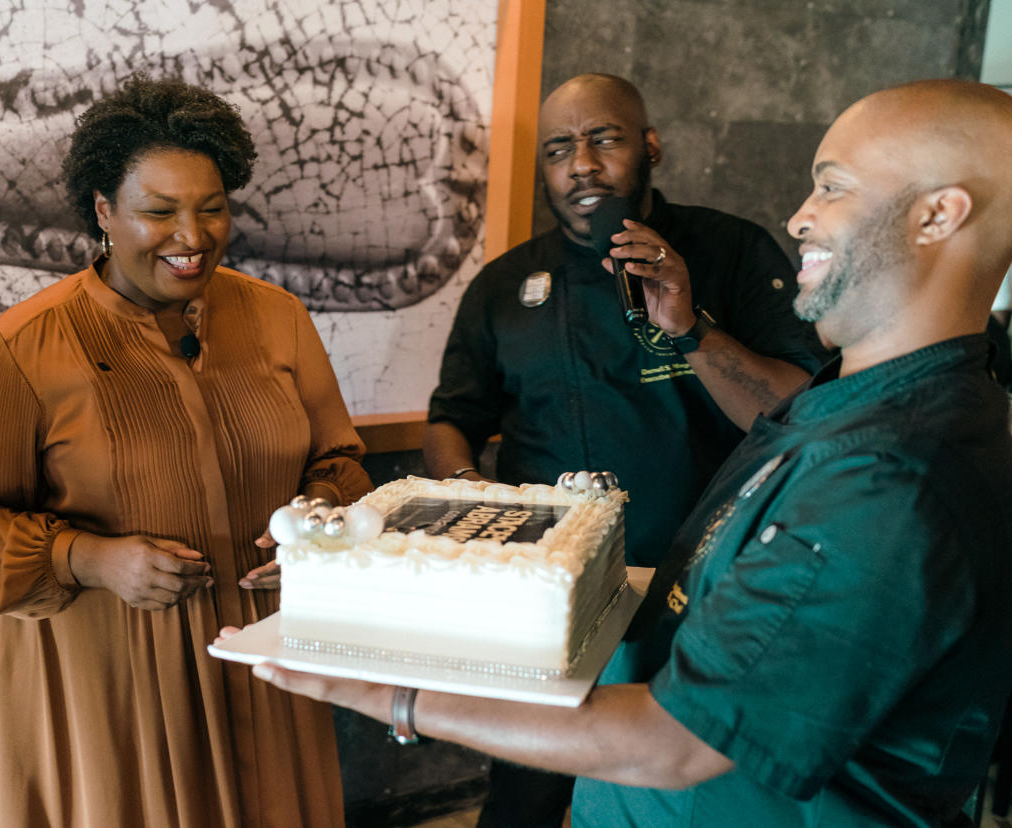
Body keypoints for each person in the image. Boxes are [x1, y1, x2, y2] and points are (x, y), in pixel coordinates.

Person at [230, 78, 1012, 827]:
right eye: (558, 147)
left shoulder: (888, 473)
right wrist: (415, 567)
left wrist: (395, 696)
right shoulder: (850, 409)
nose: (801, 217)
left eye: (831, 186)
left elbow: (677, 743)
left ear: (939, 215)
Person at [0, 75, 371, 827]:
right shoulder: (22, 347)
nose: (193, 236)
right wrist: (89, 558)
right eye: (159, 212)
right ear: (103, 211)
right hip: (107, 685)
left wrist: (319, 521)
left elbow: (341, 461)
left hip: (264, 659)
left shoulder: (278, 319)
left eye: (212, 208)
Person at [423, 73, 824, 826]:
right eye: (558, 149)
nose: (581, 164)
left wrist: (692, 329)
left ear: (650, 147)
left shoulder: (731, 251)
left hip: (704, 587)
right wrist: (479, 514)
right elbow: (453, 420)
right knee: (527, 794)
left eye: (602, 138)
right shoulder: (506, 286)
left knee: (676, 796)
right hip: (549, 595)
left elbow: (798, 411)